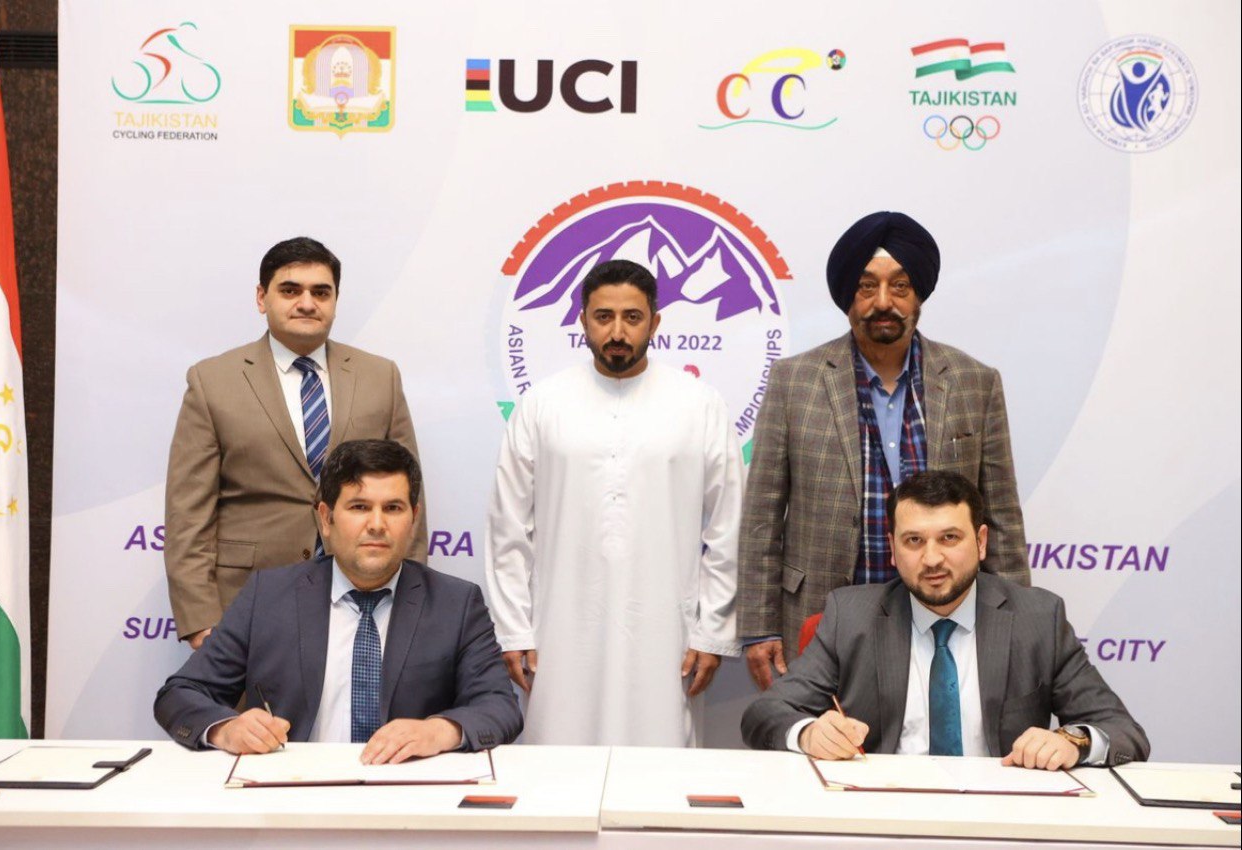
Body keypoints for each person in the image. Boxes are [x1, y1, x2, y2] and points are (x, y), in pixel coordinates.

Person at [740, 211, 1029, 689]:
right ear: (847, 297)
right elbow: (762, 516)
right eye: (866, 286)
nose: (883, 302)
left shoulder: (974, 382)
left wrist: (1019, 624)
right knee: (827, 733)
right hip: (819, 614)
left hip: (945, 612)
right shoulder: (794, 381)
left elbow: (1001, 516)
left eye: (900, 286)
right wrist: (759, 625)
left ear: (919, 295)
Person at [485, 259, 744, 746]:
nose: (618, 332)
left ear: (655, 322)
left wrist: (711, 632)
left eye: (632, 317)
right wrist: (514, 631)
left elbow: (729, 528)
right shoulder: (542, 404)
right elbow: (508, 529)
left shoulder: (700, 404)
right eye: (604, 317)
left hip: (666, 634)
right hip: (560, 631)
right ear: (583, 320)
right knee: (558, 764)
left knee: (661, 764)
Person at [742, 471, 1149, 770]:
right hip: (882, 815)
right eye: (914, 541)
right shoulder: (850, 616)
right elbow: (765, 713)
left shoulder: (1038, 618)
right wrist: (809, 733)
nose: (932, 558)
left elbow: (1122, 730)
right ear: (892, 549)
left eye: (949, 538)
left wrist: (1071, 741)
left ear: (981, 542)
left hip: (1002, 818)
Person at [155, 440, 520, 762]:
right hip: (290, 794)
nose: (377, 524)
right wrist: (227, 729)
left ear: (414, 519)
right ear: (326, 519)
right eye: (359, 507)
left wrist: (439, 731)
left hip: (408, 793)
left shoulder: (456, 604)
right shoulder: (268, 596)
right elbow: (180, 694)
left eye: (393, 508)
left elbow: (500, 707)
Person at [164, 236, 427, 649]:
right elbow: (188, 514)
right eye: (290, 290)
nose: (307, 303)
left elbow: (408, 499)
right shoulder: (212, 381)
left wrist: (410, 604)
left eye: (321, 292)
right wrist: (201, 621)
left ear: (335, 300)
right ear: (261, 297)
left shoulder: (381, 377)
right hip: (246, 604)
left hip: (364, 599)